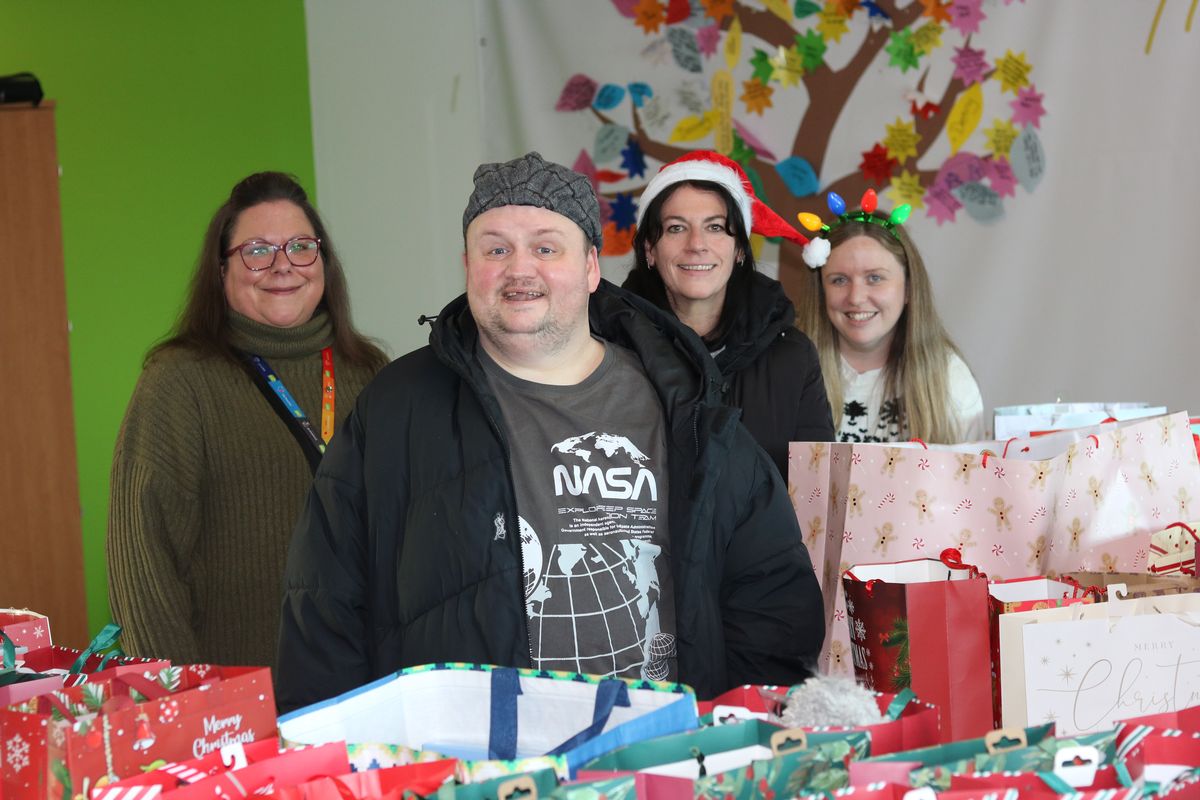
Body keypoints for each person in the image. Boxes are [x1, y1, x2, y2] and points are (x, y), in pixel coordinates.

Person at [276, 152, 824, 711]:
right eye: (496, 249)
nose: (520, 270)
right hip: (466, 771)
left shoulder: (686, 404)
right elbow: (324, 610)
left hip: (662, 760)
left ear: (590, 267)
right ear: (467, 265)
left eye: (545, 247)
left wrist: (731, 734)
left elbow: (772, 599)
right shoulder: (396, 409)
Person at [107, 172, 388, 668]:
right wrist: (187, 694)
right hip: (239, 702)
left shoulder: (371, 374)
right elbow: (144, 564)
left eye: (301, 246)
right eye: (257, 251)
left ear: (323, 262)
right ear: (221, 271)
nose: (282, 266)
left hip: (364, 688)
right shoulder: (179, 380)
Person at [622, 151, 834, 477]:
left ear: (739, 250)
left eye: (716, 227)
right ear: (650, 249)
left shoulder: (793, 356)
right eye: (677, 228)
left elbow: (816, 490)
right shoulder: (610, 348)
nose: (697, 244)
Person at [794, 190, 984, 443]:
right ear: (821, 291)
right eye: (839, 280)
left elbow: (973, 478)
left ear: (908, 288)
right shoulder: (790, 370)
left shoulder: (950, 378)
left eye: (875, 278)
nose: (856, 297)